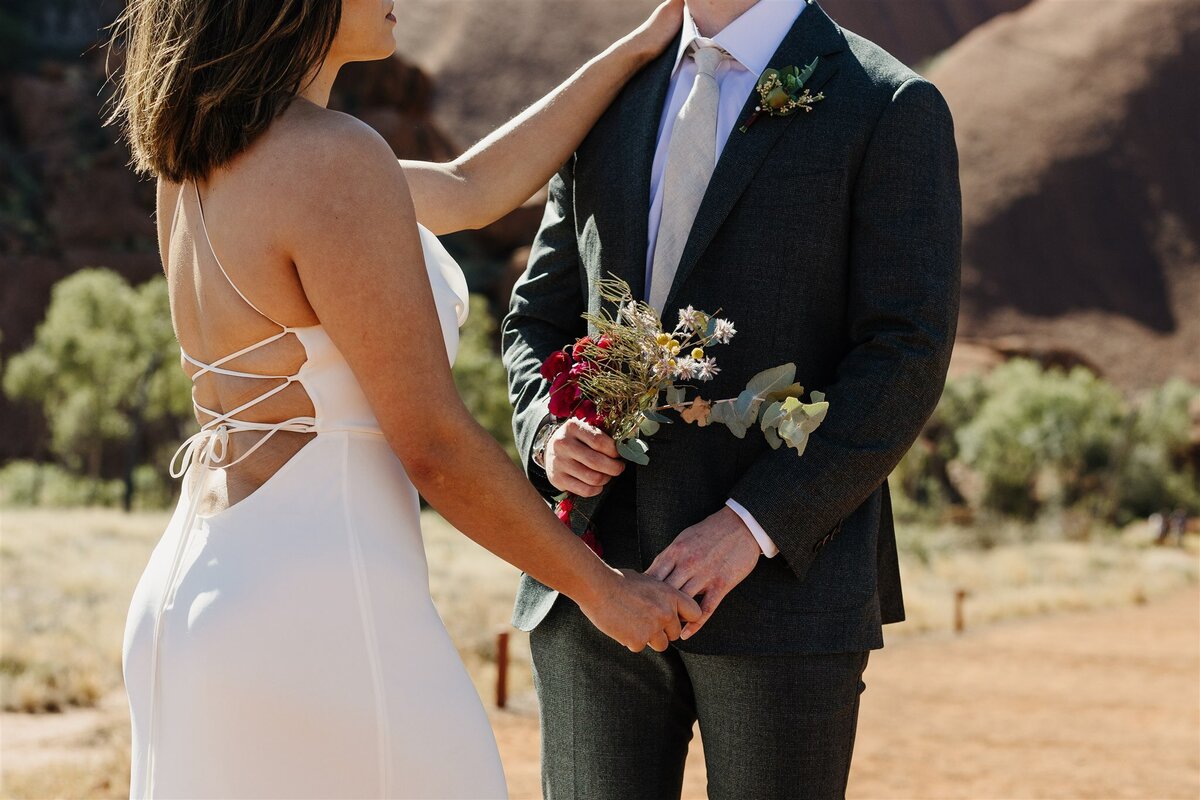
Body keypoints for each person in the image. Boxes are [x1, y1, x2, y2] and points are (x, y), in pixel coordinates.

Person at [110, 1, 698, 797]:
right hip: (321, 609)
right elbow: (434, 444)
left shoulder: (193, 163)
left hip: (192, 600)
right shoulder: (331, 160)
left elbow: (472, 186)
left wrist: (635, 50)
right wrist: (603, 591)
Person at [503, 0, 962, 797]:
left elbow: (905, 353)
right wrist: (548, 434)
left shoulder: (886, 105)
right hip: (589, 581)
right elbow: (536, 316)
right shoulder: (609, 93)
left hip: (781, 599)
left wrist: (753, 526)